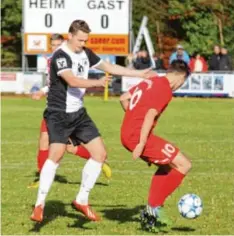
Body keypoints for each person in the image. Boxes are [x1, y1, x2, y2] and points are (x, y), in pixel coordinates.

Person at [30, 19, 155, 223]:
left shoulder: (85, 52)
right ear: (69, 36)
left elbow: (109, 66)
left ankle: (81, 199)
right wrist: (97, 82)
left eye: (85, 40)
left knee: (99, 153)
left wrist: (138, 74)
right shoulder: (60, 56)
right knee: (56, 153)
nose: (82, 44)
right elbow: (72, 80)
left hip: (78, 113)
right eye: (80, 40)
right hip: (58, 113)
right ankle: (39, 205)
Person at [28, 33, 112, 189]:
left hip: (65, 110)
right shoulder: (52, 60)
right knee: (51, 143)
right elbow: (54, 83)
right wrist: (44, 90)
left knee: (60, 145)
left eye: (57, 45)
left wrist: (43, 90)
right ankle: (42, 177)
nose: (55, 48)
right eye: (53, 45)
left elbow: (69, 82)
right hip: (55, 108)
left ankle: (98, 160)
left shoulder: (67, 58)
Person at [119, 60, 192, 232]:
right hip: (138, 137)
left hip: (128, 133)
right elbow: (150, 115)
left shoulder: (151, 81)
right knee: (184, 164)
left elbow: (123, 98)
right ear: (180, 77)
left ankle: (152, 210)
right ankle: (153, 208)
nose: (180, 86)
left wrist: (133, 118)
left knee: (167, 166)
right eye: (183, 82)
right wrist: (141, 144)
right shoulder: (165, 89)